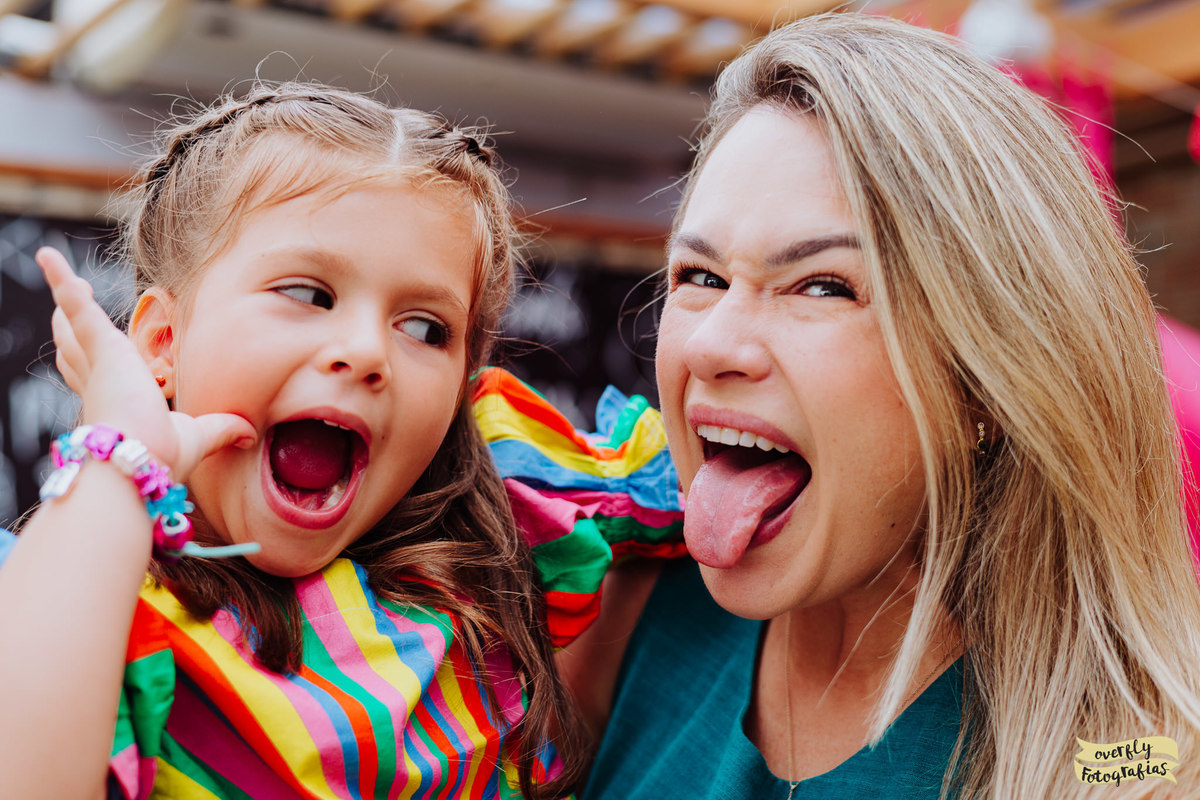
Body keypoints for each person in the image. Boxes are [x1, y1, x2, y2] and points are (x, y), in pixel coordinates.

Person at [506, 13, 1200, 800]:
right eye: (700, 276)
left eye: (822, 286)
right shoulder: (615, 615)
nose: (711, 344)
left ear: (984, 376)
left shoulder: (1132, 756)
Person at [0, 83, 616, 800]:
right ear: (165, 341)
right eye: (307, 294)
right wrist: (117, 463)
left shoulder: (494, 568)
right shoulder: (74, 602)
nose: (367, 352)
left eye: (425, 329)